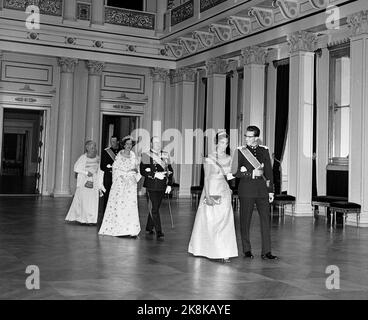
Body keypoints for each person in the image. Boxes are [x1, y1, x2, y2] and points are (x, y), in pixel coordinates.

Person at [188, 132, 238, 263]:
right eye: (222, 143)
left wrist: (230, 185)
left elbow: (230, 175)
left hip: (224, 190)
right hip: (212, 189)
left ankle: (224, 251)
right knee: (211, 220)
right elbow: (206, 178)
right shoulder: (209, 158)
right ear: (216, 143)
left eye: (226, 143)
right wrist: (208, 196)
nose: (224, 146)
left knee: (225, 220)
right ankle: (206, 249)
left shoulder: (229, 158)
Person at [231, 125, 279, 260]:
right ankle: (247, 249)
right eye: (246, 136)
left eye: (249, 136)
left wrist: (271, 191)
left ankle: (266, 251)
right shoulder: (240, 151)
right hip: (246, 190)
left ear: (256, 138)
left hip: (262, 190)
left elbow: (269, 172)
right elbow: (234, 171)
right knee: (245, 221)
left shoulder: (264, 150)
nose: (246, 138)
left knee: (265, 221)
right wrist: (250, 173)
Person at [99, 136, 141, 237]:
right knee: (120, 206)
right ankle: (119, 229)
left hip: (130, 185)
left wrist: (134, 173)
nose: (129, 146)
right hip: (120, 184)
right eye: (127, 144)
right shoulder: (119, 155)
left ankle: (130, 229)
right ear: (123, 145)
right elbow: (115, 169)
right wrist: (122, 176)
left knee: (129, 206)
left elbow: (136, 169)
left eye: (130, 144)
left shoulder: (133, 155)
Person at [140, 136, 173, 240]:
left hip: (162, 185)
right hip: (151, 185)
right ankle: (159, 231)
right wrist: (154, 174)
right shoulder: (146, 155)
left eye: (159, 142)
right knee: (154, 209)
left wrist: (169, 184)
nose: (158, 144)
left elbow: (170, 170)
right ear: (151, 144)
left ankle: (149, 227)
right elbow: (142, 170)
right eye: (155, 143)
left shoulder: (165, 154)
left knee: (155, 207)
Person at [65, 140, 105, 224]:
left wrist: (100, 185)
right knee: (84, 201)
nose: (94, 149)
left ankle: (91, 220)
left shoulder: (98, 158)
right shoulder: (83, 157)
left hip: (94, 182)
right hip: (85, 181)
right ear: (87, 148)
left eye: (94, 147)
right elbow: (76, 168)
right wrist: (86, 173)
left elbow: (100, 171)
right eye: (92, 147)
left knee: (93, 201)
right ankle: (83, 219)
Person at [99, 135, 120, 224]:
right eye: (111, 142)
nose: (113, 143)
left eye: (114, 142)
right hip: (109, 177)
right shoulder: (106, 151)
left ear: (118, 142)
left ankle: (116, 213)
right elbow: (102, 166)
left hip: (118, 177)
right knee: (107, 196)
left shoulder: (121, 151)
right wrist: (110, 168)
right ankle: (105, 214)